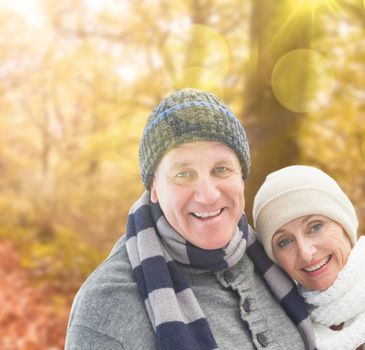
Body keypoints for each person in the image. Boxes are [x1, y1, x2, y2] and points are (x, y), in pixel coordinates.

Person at [65, 88, 316, 350]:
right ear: (154, 187)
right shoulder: (108, 307)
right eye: (183, 174)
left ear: (241, 175)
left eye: (221, 169)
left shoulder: (279, 260)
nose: (208, 195)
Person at [253, 165, 365, 350]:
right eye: (284, 242)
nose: (305, 252)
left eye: (315, 227)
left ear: (343, 225)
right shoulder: (287, 329)